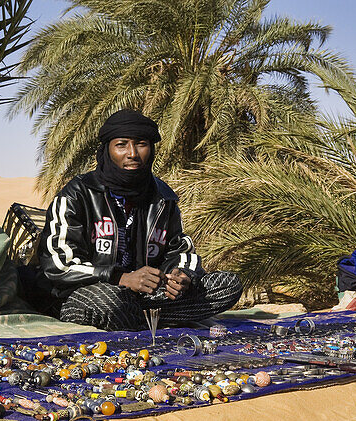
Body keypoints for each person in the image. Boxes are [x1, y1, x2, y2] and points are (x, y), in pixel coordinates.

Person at [28, 110, 242, 330]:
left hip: (146, 294)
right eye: (121, 145)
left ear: (151, 149)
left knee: (227, 285)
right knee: (108, 303)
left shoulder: (162, 197)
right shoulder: (77, 194)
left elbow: (181, 250)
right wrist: (121, 278)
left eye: (141, 144)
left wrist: (183, 275)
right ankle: (151, 317)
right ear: (107, 150)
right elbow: (58, 265)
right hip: (87, 293)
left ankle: (138, 316)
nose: (132, 153)